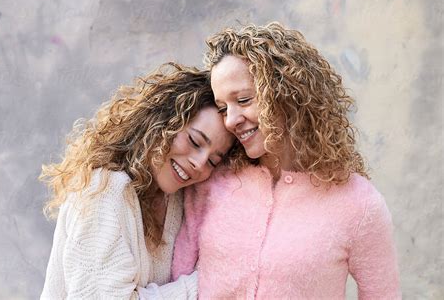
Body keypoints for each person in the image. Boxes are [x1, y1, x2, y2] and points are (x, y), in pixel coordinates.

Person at [172, 23, 401, 299]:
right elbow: (178, 279)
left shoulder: (359, 204)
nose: (231, 120)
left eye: (243, 100)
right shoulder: (212, 180)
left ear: (286, 93)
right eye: (223, 108)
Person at [39, 63, 236, 299]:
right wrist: (202, 286)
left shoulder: (175, 198)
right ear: (162, 123)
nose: (200, 163)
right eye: (194, 142)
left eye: (213, 161)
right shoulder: (103, 191)